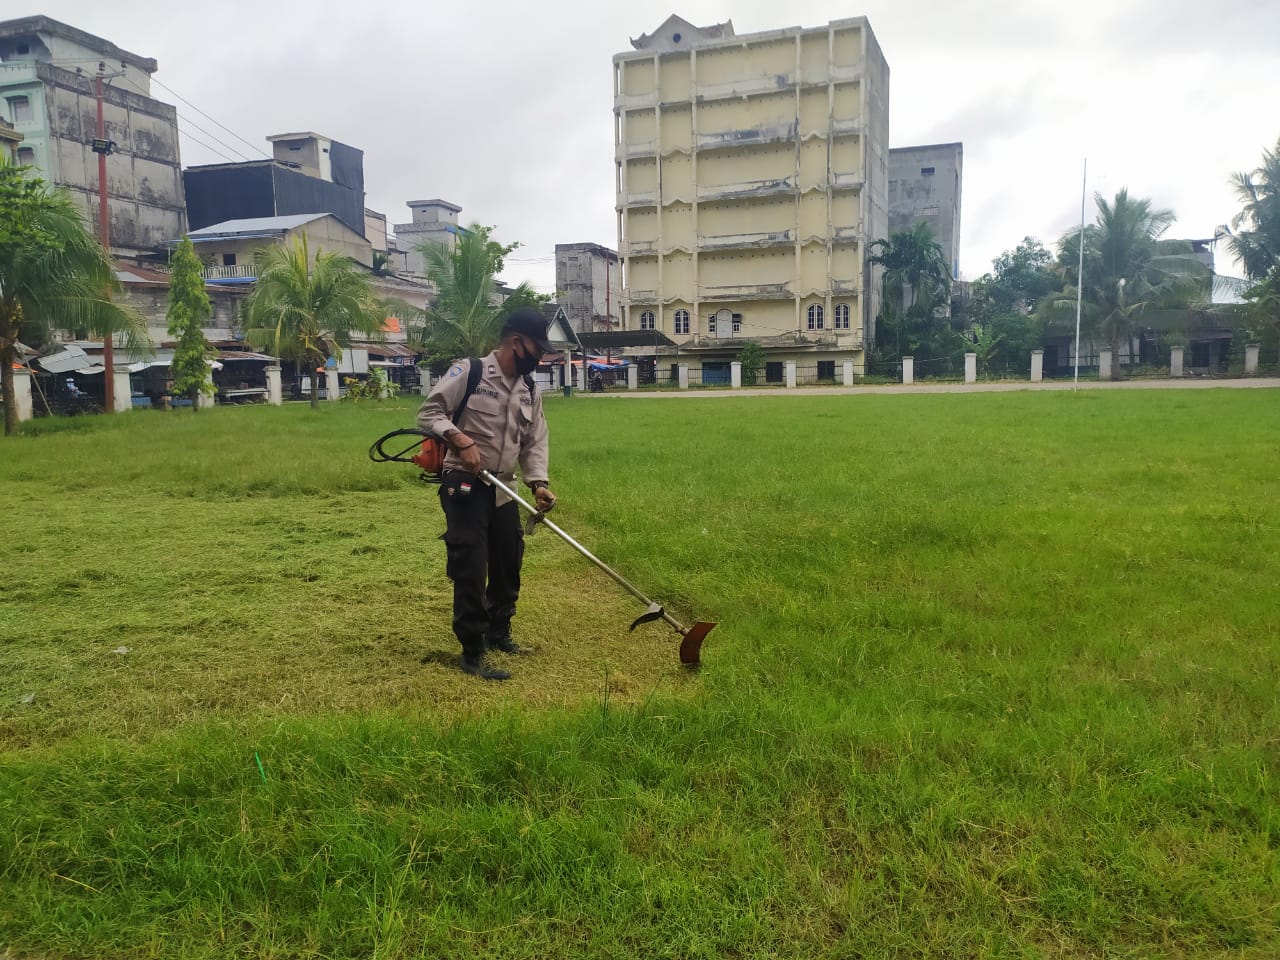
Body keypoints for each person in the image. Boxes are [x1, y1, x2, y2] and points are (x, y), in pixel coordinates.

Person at [418, 306, 558, 680]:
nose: (541, 357)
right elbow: (430, 413)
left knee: (508, 560)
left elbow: (534, 440)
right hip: (464, 483)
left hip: (505, 487)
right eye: (537, 349)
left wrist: (538, 483)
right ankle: (472, 650)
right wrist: (460, 440)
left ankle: (500, 632)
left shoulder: (529, 388)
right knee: (471, 564)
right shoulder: (470, 371)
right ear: (518, 342)